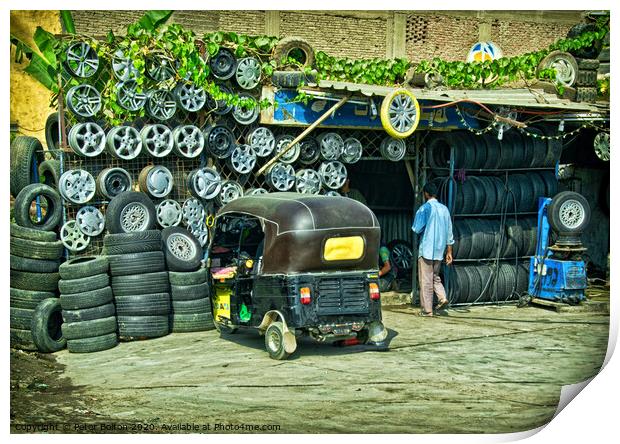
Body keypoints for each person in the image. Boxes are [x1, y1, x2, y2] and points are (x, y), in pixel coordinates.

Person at [412, 182, 454, 316]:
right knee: (435, 277)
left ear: (426, 194)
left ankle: (427, 310)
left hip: (426, 250)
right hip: (439, 251)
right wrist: (449, 252)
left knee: (425, 280)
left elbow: (416, 228)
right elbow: (449, 232)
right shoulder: (445, 209)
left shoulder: (424, 209)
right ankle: (442, 297)